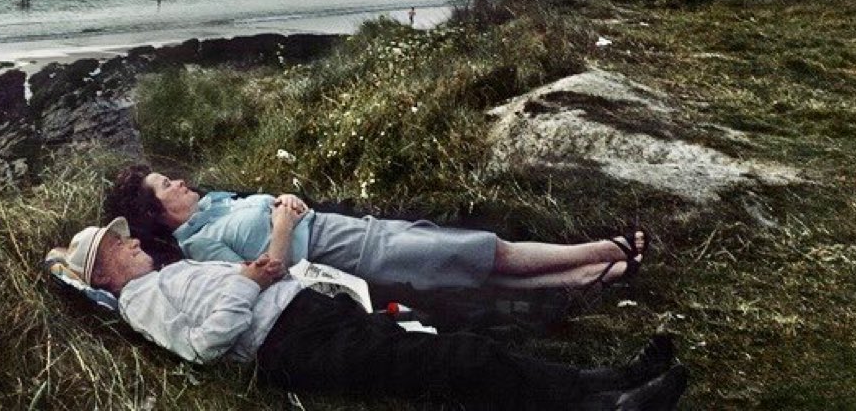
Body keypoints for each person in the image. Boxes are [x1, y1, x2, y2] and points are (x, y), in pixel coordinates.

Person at [57, 218, 688, 410]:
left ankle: (606, 382)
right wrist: (249, 281)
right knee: (451, 357)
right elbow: (205, 345)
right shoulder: (141, 304)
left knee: (450, 343)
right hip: (291, 345)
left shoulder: (161, 278)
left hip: (309, 318)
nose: (134, 241)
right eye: (120, 244)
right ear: (104, 272)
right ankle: (601, 402)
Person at [104, 166, 649, 293]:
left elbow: (280, 210)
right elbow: (260, 278)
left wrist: (286, 202)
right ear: (159, 212)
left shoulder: (217, 201)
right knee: (484, 251)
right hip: (345, 254)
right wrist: (283, 222)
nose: (177, 180)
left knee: (470, 269)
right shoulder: (198, 243)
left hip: (351, 231)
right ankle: (602, 249)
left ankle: (596, 274)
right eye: (164, 185)